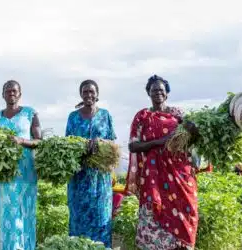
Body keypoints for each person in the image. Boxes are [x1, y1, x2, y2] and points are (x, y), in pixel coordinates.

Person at [125, 75, 199, 250]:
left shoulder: (179, 115)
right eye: (154, 90)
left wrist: (194, 129)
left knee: (186, 210)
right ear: (148, 93)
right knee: (153, 210)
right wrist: (160, 142)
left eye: (161, 90)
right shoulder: (142, 116)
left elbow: (193, 138)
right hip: (153, 174)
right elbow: (133, 146)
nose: (158, 93)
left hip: (179, 171)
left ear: (167, 94)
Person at [0, 80, 42, 250]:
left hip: (25, 171)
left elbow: (39, 141)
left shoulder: (30, 114)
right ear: (3, 94)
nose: (11, 93)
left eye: (14, 90)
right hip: (4, 173)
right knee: (7, 212)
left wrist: (22, 141)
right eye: (7, 90)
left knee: (25, 212)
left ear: (20, 94)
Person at [65, 79, 116, 248]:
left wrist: (100, 141)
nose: (88, 95)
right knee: (79, 217)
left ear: (97, 94)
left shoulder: (105, 115)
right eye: (85, 92)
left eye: (91, 92)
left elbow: (113, 144)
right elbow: (67, 145)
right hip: (79, 177)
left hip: (100, 178)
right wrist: (82, 146)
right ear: (81, 94)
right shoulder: (72, 117)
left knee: (101, 217)